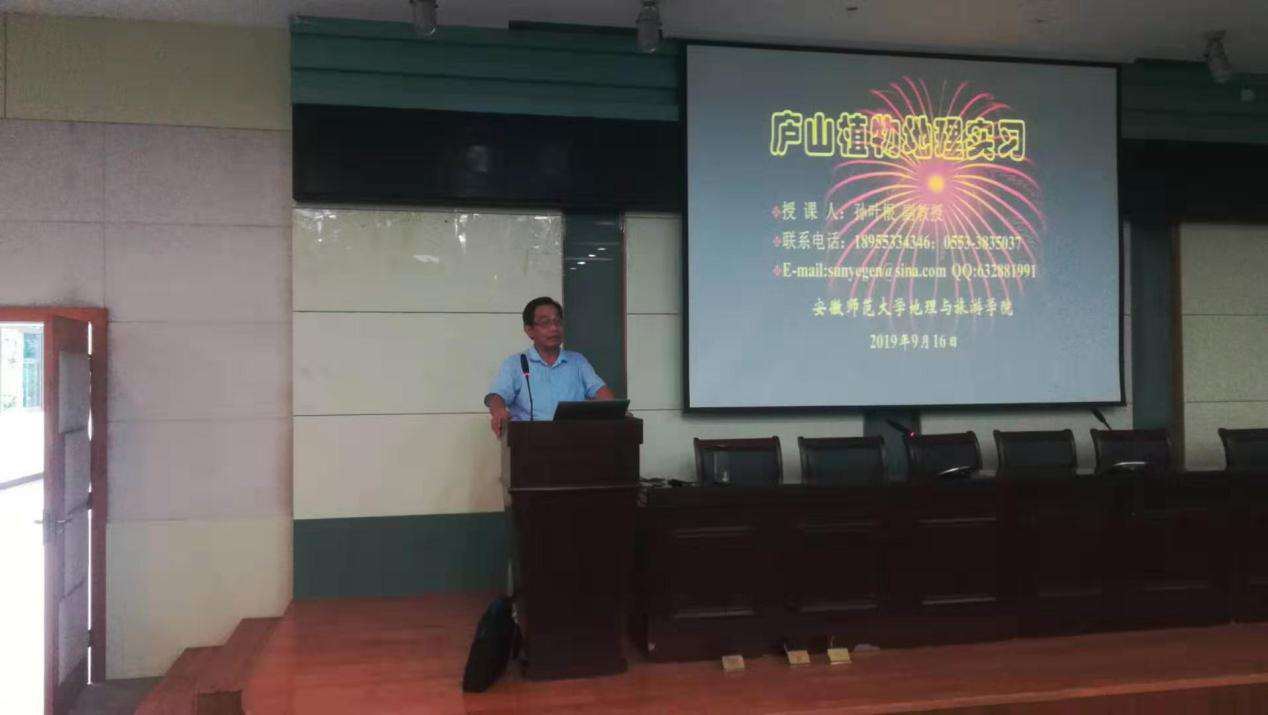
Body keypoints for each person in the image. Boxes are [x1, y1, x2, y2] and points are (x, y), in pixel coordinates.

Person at [484, 297, 615, 437]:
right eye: (545, 322)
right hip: (528, 441)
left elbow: (601, 391)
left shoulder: (577, 361)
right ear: (529, 330)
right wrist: (498, 412)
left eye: (557, 321)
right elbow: (496, 396)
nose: (554, 328)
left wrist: (614, 411)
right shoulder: (515, 364)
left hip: (575, 439)